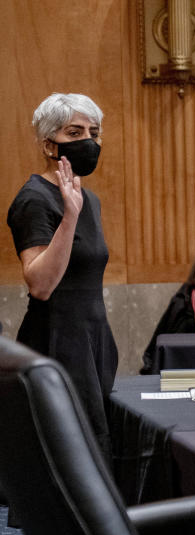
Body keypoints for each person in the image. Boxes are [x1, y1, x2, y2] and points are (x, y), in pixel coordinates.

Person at [7, 93, 117, 456]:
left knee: (96, 444)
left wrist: (77, 207)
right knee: (64, 452)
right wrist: (69, 216)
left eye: (94, 132)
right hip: (56, 337)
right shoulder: (34, 198)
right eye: (75, 131)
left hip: (93, 337)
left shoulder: (91, 199)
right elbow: (40, 284)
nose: (88, 140)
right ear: (48, 143)